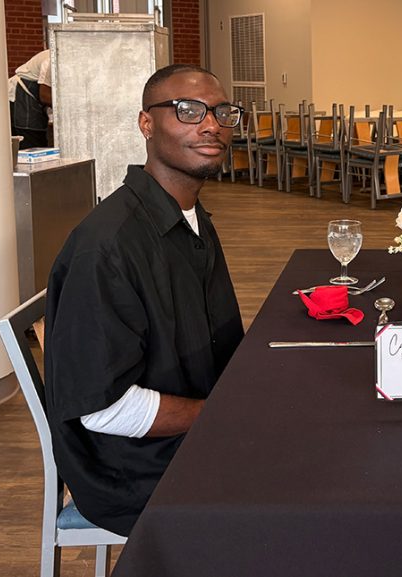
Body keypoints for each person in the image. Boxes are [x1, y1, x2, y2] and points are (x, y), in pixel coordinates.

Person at [43, 64, 245, 536]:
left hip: (183, 432)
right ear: (146, 124)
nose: (210, 124)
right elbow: (102, 407)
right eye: (187, 110)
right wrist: (223, 415)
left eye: (221, 112)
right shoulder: (108, 246)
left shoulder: (188, 217)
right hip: (132, 470)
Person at [8, 49, 53, 149]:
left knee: (38, 139)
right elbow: (44, 95)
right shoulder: (51, 60)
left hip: (34, 100)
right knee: (31, 142)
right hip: (21, 97)